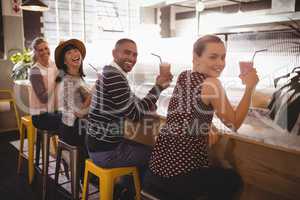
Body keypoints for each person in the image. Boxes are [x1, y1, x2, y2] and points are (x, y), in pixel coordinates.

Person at [143, 35, 259, 200]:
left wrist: (207, 126)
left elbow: (187, 113)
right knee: (233, 180)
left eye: (223, 57)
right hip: (177, 180)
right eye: (213, 57)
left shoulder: (184, 76)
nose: (220, 63)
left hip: (154, 173)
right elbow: (233, 124)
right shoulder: (212, 83)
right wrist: (249, 88)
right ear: (195, 57)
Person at [86, 38, 172, 198]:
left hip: (97, 146)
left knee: (140, 147)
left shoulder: (109, 72)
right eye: (127, 52)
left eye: (135, 55)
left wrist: (148, 100)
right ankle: (138, 195)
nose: (132, 58)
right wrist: (158, 87)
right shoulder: (115, 77)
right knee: (156, 154)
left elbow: (132, 102)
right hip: (106, 152)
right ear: (114, 53)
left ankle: (128, 190)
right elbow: (134, 115)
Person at [54, 39, 91, 180]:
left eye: (76, 50)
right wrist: (94, 93)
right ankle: (89, 174)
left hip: (76, 125)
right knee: (109, 133)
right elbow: (79, 113)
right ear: (64, 61)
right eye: (69, 52)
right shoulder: (68, 81)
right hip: (71, 128)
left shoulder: (79, 78)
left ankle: (91, 173)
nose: (74, 53)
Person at [29, 37, 61, 167]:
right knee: (71, 123)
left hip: (53, 112)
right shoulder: (35, 70)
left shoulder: (54, 65)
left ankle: (72, 161)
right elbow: (43, 97)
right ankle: (67, 159)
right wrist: (56, 81)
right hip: (40, 116)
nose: (44, 52)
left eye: (46, 48)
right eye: (40, 50)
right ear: (35, 52)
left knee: (74, 122)